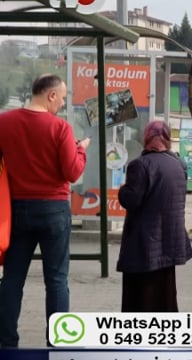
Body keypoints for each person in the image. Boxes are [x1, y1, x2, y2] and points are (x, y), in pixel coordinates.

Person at [0, 74, 90, 347]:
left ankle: (5, 340)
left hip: (16, 209)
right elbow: (72, 172)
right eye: (62, 98)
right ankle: (58, 342)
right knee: (57, 279)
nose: (62, 104)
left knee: (13, 278)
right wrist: (81, 151)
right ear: (51, 95)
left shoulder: (4, 122)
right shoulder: (60, 128)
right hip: (53, 210)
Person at [117, 120, 192, 312]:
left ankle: (140, 336)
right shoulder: (178, 164)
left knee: (141, 299)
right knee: (165, 295)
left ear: (147, 137)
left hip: (144, 246)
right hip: (170, 241)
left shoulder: (140, 166)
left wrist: (123, 190)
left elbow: (131, 200)